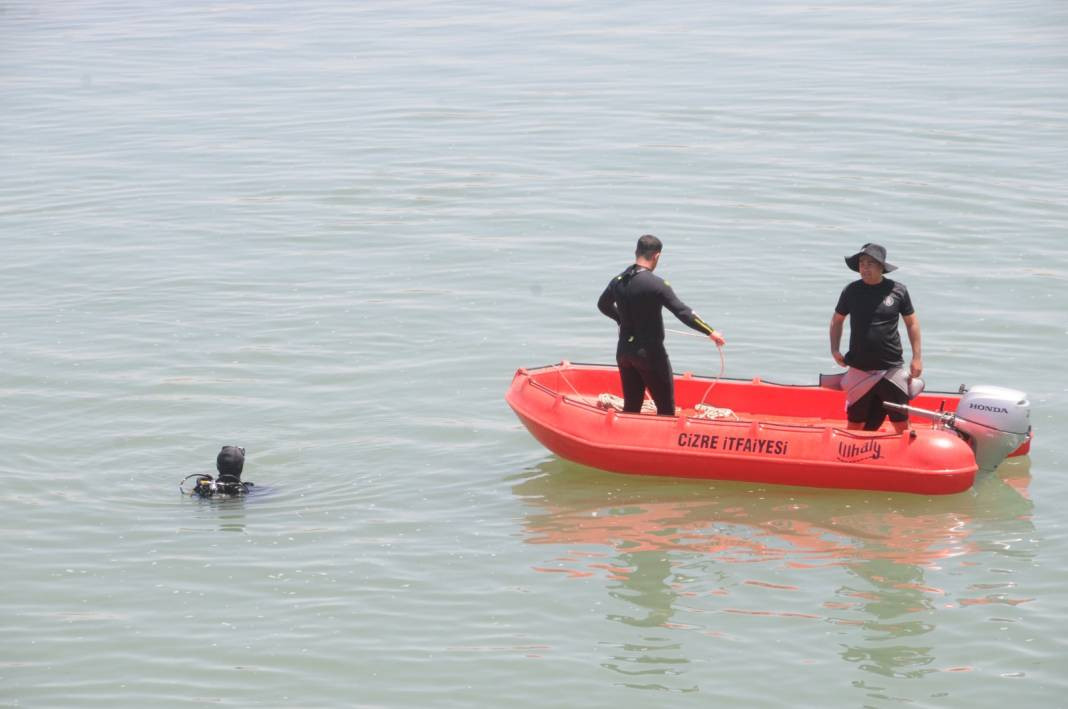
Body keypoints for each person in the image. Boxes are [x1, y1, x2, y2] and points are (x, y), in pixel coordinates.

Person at [597, 234, 726, 416]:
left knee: (632, 407)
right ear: (657, 256)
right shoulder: (656, 284)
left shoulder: (618, 281)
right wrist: (710, 332)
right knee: (665, 409)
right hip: (649, 354)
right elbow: (682, 311)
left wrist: (620, 319)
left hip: (624, 352)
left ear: (636, 252)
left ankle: (629, 441)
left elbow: (603, 305)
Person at [829, 243, 922, 432]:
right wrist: (835, 349)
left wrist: (917, 358)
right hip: (859, 368)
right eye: (862, 263)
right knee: (855, 423)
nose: (865, 267)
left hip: (891, 367)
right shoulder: (851, 291)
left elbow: (912, 323)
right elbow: (837, 320)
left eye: (871, 263)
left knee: (901, 423)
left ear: (882, 267)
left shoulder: (898, 290)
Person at [181, 445, 254, 497]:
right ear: (241, 467)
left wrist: (198, 485)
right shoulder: (249, 490)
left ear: (217, 466)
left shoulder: (206, 489)